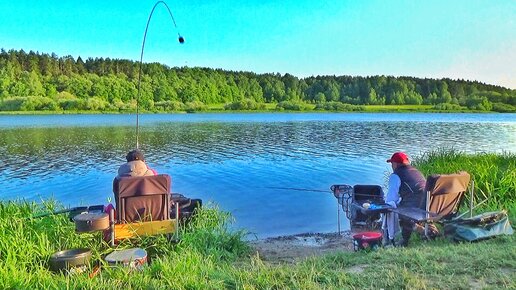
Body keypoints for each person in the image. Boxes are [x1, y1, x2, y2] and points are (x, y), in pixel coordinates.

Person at [385, 152, 426, 247]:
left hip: (413, 209)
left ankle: (404, 241)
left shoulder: (395, 176)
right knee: (403, 204)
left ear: (395, 164)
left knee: (394, 210)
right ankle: (426, 230)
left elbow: (391, 199)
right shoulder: (416, 171)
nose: (392, 166)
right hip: (426, 205)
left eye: (392, 163)